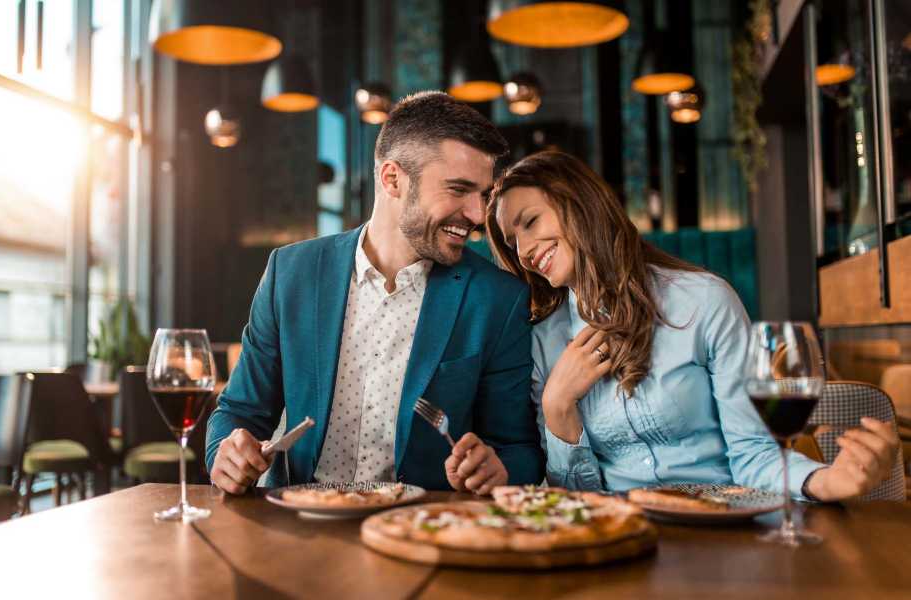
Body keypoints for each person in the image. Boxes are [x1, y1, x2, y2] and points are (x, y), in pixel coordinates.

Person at [486, 150, 898, 501]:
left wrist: (827, 481)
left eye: (530, 222)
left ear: (578, 203)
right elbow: (576, 499)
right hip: (621, 537)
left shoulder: (703, 301)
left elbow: (753, 453)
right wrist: (557, 405)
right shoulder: (541, 340)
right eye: (511, 241)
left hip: (723, 527)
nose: (522, 252)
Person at [206, 91, 544, 494]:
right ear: (392, 179)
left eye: (483, 195)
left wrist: (499, 468)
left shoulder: (498, 299)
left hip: (420, 530)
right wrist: (225, 453)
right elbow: (239, 411)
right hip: (299, 521)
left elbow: (520, 449)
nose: (476, 215)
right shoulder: (290, 273)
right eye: (458, 190)